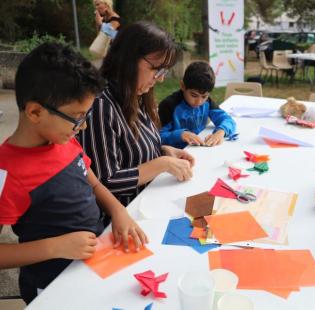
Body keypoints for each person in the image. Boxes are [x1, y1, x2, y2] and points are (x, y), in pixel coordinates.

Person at [0, 43, 148, 304]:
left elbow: (93, 184)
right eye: (77, 117)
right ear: (35, 112)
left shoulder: (65, 141)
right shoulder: (6, 172)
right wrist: (56, 247)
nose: (84, 126)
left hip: (94, 265)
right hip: (52, 286)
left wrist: (118, 211)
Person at [81, 21, 195, 207]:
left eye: (164, 70)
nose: (161, 78)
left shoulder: (136, 94)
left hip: (148, 201)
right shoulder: (101, 106)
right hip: (123, 218)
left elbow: (132, 151)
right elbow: (105, 182)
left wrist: (164, 151)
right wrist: (162, 164)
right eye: (156, 69)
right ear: (129, 58)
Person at [158, 61, 236, 149]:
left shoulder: (207, 102)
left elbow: (227, 120)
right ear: (183, 86)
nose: (199, 102)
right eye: (194, 95)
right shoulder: (168, 106)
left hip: (200, 150)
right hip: (177, 153)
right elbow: (158, 137)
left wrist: (221, 132)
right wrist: (180, 135)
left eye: (204, 96)